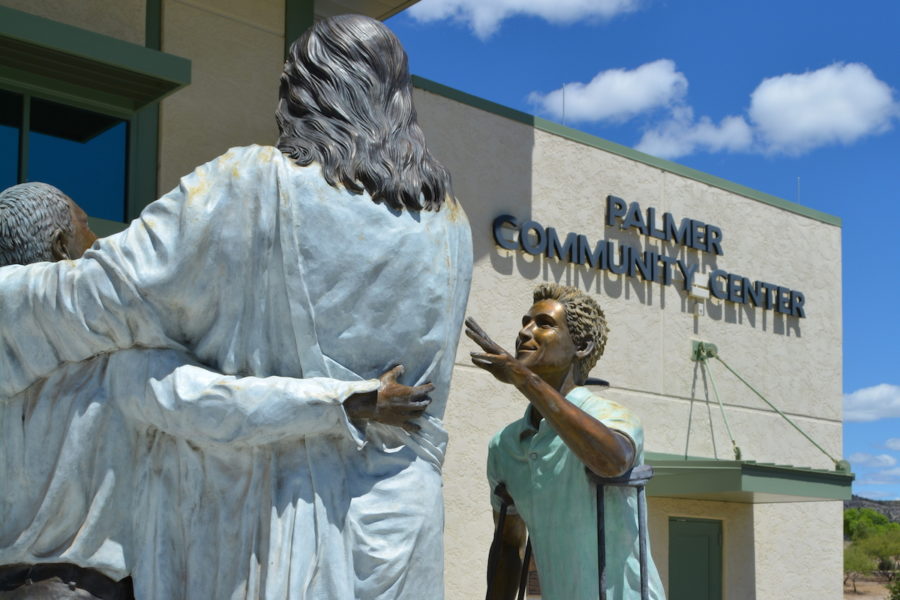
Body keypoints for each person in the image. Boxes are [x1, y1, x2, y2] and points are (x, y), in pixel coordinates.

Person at [0, 14, 472, 600]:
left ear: (309, 94)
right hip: (402, 525)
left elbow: (105, 294)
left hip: (282, 524)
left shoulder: (251, 186)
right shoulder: (451, 225)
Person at [0, 184, 437, 599]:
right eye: (85, 225)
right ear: (61, 247)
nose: (99, 242)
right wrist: (355, 400)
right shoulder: (111, 367)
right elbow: (223, 408)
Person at [466, 283, 664, 600]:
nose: (525, 332)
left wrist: (521, 377)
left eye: (544, 324)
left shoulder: (612, 417)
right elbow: (508, 545)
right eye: (525, 323)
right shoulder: (506, 445)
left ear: (581, 346)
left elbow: (612, 462)